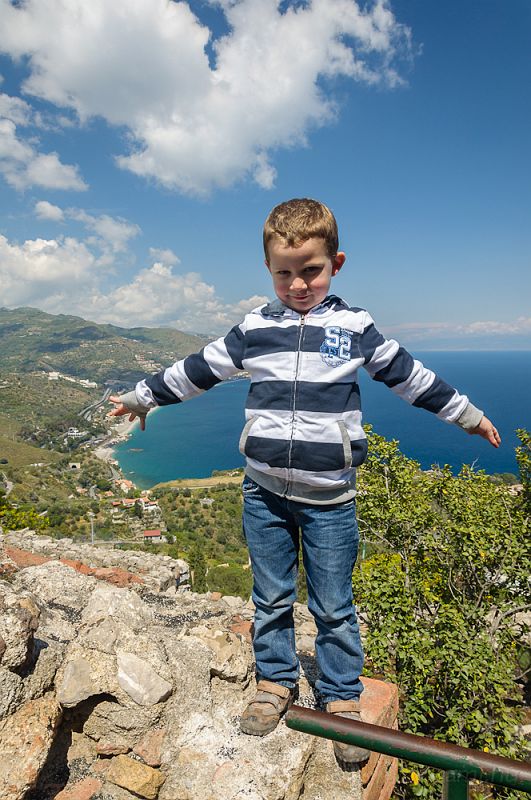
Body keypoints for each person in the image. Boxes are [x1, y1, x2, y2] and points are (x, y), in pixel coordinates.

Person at [109, 198, 500, 768]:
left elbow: (411, 378)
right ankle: (275, 682)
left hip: (330, 499)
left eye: (310, 270)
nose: (297, 284)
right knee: (270, 595)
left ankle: (341, 698)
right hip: (263, 491)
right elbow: (198, 369)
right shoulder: (254, 328)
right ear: (268, 269)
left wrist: (467, 416)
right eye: (284, 272)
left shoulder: (354, 327)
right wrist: (143, 397)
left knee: (333, 603)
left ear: (335, 263)